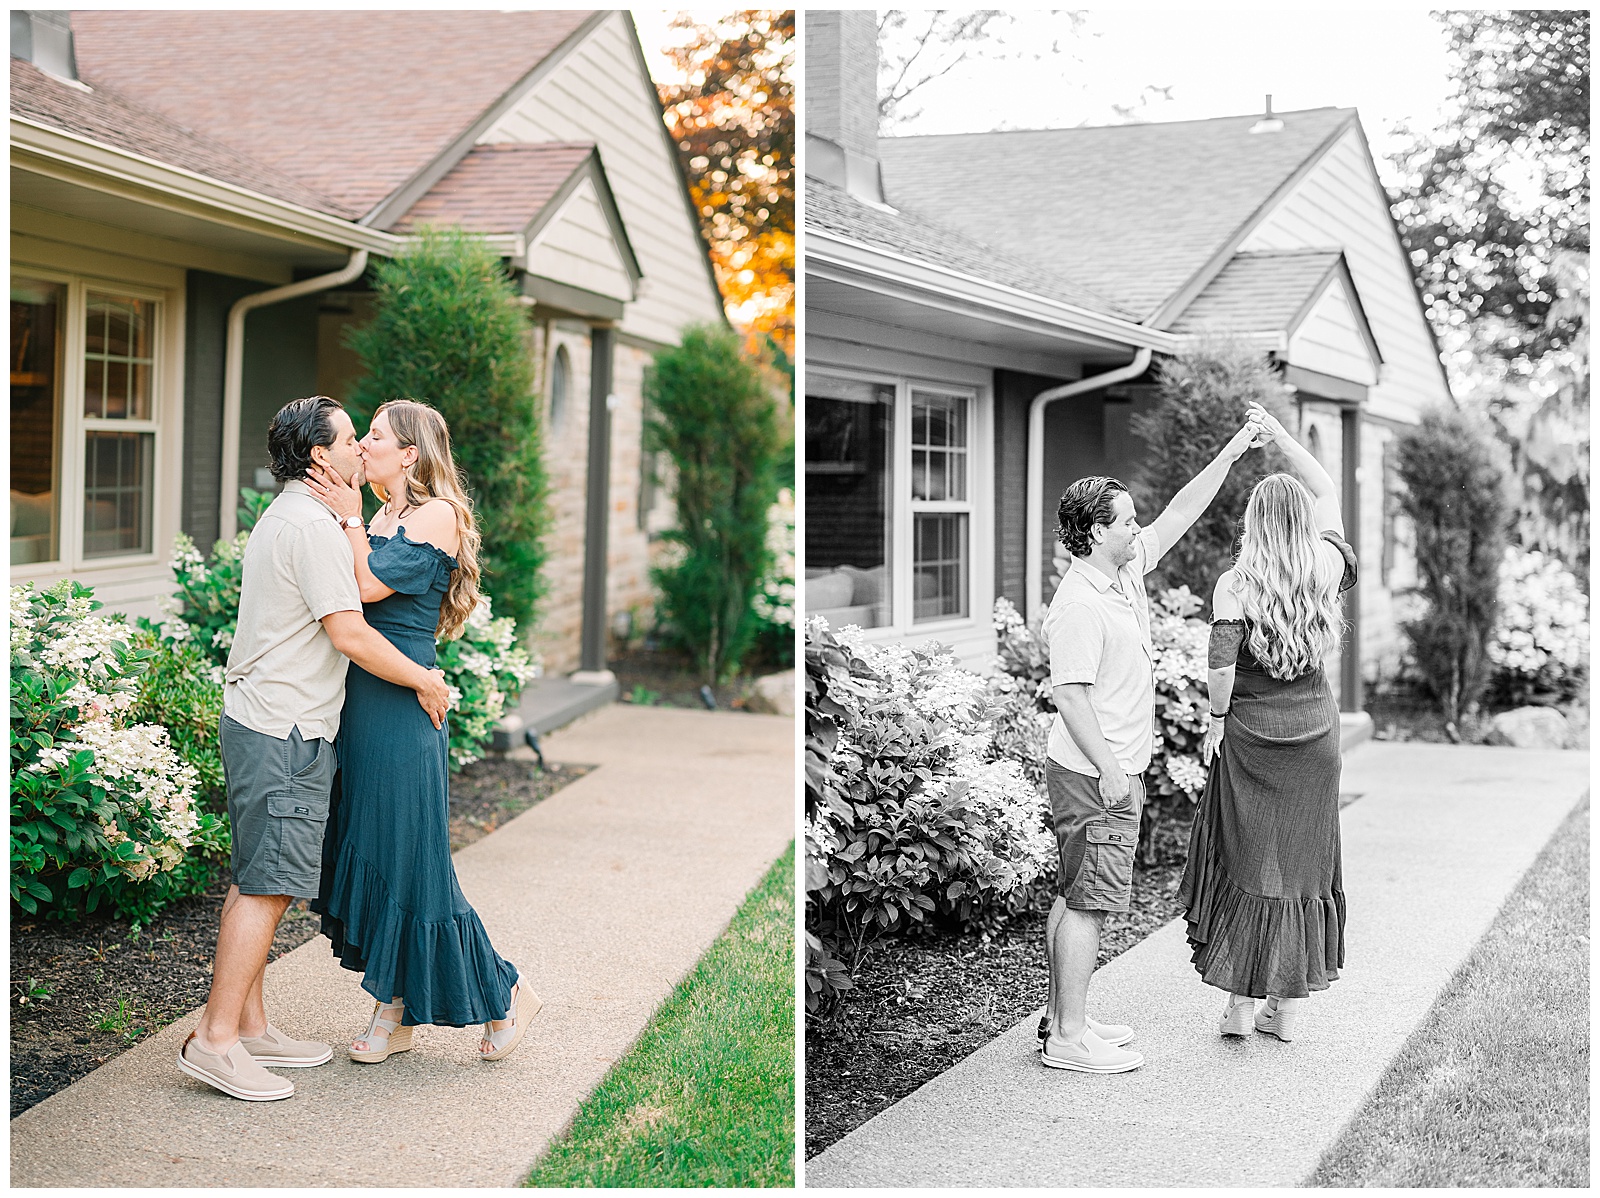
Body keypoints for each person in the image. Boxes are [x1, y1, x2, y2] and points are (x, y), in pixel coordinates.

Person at [178, 396, 451, 1102]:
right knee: (266, 885)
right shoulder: (314, 527)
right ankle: (215, 1041)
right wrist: (427, 680)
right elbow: (352, 631)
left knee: (254, 874)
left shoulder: (297, 514)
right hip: (285, 727)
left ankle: (253, 1025)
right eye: (352, 438)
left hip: (264, 718)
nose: (362, 448)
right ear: (321, 456)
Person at [304, 399, 538, 1064]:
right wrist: (355, 514)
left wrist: (346, 513)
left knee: (415, 868)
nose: (364, 447)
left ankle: (502, 990)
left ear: (411, 453)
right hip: (361, 706)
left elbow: (368, 586)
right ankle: (398, 1010)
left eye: (375, 438)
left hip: (405, 712)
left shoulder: (434, 515)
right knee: (375, 855)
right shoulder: (383, 516)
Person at [1038, 414, 1266, 1074]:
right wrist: (1111, 770)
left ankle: (1061, 1021)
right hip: (1096, 772)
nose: (1139, 529)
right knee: (1089, 903)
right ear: (1095, 531)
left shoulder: (1124, 572)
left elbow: (1181, 510)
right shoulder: (1080, 603)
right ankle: (1071, 1039)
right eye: (1127, 521)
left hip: (1101, 768)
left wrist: (1230, 452)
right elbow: (1071, 694)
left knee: (1072, 892)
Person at [1178, 402, 1356, 1041]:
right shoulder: (1326, 567)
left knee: (1245, 858)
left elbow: (1221, 668)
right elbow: (1328, 486)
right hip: (1313, 737)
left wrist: (1217, 718)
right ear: (1304, 521)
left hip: (1252, 738)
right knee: (1305, 867)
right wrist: (1282, 436)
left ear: (1252, 524)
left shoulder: (1235, 584)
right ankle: (1285, 1008)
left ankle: (1236, 1005)